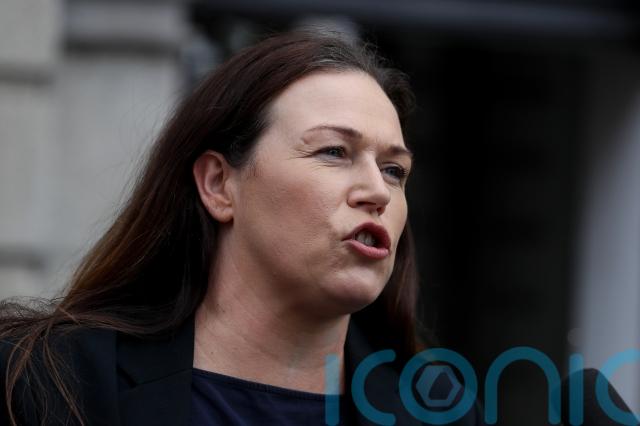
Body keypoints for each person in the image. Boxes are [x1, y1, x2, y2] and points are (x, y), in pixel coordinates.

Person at [0, 30, 484, 425]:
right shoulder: (46, 382)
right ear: (218, 185)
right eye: (334, 152)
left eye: (394, 170)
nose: (377, 191)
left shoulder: (442, 412)